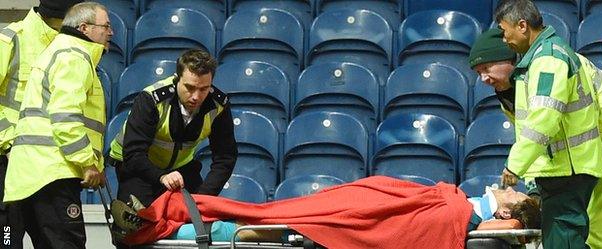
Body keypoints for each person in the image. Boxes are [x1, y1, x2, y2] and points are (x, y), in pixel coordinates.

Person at [469, 27, 602, 249]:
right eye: (477, 73)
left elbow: (545, 123)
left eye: (486, 68)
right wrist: (534, 189)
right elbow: (533, 140)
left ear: (509, 59)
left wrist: (515, 167)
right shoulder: (513, 92)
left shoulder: (550, 64)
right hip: (587, 159)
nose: (484, 78)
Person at [110, 176, 540, 247]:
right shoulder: (466, 200)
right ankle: (165, 216)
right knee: (272, 212)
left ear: (510, 215)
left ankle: (169, 228)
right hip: (375, 198)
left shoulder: (486, 220)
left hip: (390, 214)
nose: (503, 189)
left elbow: (439, 222)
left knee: (275, 223)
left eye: (510, 195)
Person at [494, 0, 602, 248]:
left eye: (504, 31)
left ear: (522, 26)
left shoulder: (549, 60)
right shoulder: (542, 57)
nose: (504, 39)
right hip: (566, 167)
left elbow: (544, 118)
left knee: (563, 240)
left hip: (568, 169)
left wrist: (515, 164)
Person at [2, 2, 112, 248]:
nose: (111, 32)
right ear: (84, 27)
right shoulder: (73, 55)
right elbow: (65, 117)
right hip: (51, 171)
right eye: (105, 26)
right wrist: (87, 163)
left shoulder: (61, 50)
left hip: (27, 174)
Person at [108, 49, 237, 208]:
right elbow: (134, 153)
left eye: (204, 89)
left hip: (181, 168)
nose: (196, 96)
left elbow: (226, 157)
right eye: (189, 87)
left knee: (198, 215)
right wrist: (161, 177)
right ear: (177, 80)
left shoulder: (219, 105)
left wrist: (203, 197)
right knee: (137, 221)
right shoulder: (152, 99)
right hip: (136, 164)